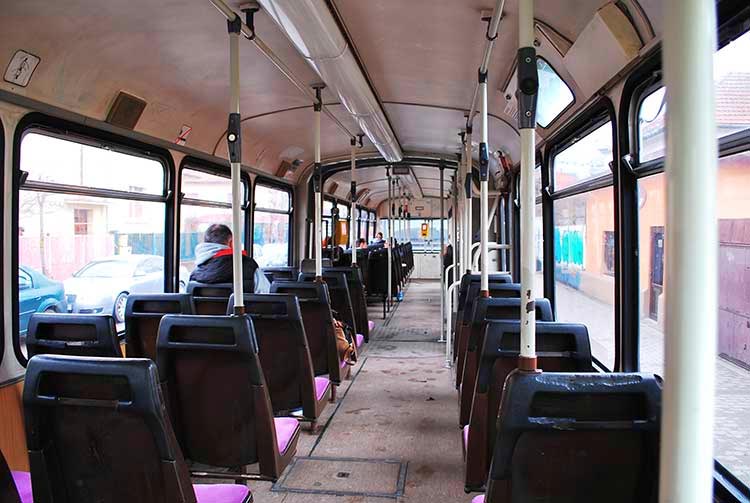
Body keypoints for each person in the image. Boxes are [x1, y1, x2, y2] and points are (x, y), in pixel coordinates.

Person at [189, 224, 270, 293]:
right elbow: (265, 293)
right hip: (242, 311)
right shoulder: (248, 265)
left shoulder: (195, 273)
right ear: (231, 242)